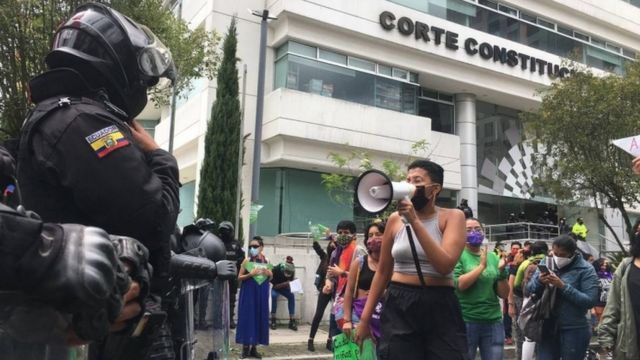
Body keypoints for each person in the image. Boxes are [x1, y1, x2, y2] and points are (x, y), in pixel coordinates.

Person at [14, 3, 181, 357]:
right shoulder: (83, 123)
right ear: (116, 65)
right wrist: (162, 158)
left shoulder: (65, 116)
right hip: (102, 328)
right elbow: (153, 221)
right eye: (144, 78)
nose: (145, 87)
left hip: (99, 320)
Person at [355, 159, 468, 359]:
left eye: (417, 180)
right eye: (407, 179)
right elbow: (383, 272)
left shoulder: (453, 217)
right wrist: (364, 320)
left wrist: (414, 221)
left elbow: (444, 265)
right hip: (400, 302)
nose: (410, 184)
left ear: (434, 189)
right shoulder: (394, 220)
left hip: (439, 303)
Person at [526, 235, 599, 360]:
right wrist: (539, 281)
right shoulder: (546, 262)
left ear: (572, 253)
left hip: (574, 328)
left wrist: (563, 286)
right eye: (555, 253)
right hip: (547, 325)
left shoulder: (586, 269)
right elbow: (530, 289)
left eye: (562, 254)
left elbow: (589, 301)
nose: (557, 257)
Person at [454, 218, 509, 360]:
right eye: (468, 230)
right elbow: (460, 285)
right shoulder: (457, 255)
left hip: (493, 321)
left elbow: (504, 294)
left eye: (478, 229)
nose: (474, 232)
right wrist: (481, 267)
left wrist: (502, 272)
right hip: (466, 320)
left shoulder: (493, 257)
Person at [597, 219, 640, 359]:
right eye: (638, 231)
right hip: (631, 343)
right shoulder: (626, 266)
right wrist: (606, 336)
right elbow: (613, 304)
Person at [323, 220, 366, 350]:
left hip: (354, 306)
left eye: (346, 232)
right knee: (339, 347)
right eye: (340, 232)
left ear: (354, 235)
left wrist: (343, 273)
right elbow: (330, 274)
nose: (342, 235)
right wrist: (328, 284)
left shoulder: (359, 251)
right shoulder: (336, 252)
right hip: (337, 305)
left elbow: (364, 277)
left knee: (354, 346)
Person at [342, 223, 385, 342]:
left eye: (378, 234)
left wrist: (384, 293)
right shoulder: (359, 263)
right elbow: (349, 292)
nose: (374, 238)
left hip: (385, 320)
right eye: (370, 235)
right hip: (359, 318)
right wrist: (347, 320)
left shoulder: (394, 264)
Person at [510, 240, 548, 360]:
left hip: (526, 300)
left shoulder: (525, 263)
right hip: (547, 301)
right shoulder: (550, 262)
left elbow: (516, 284)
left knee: (527, 335)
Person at [236, 236, 272, 359]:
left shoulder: (266, 260)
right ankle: (245, 348)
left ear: (261, 247)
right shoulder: (247, 261)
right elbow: (239, 277)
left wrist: (269, 274)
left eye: (255, 246)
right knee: (248, 317)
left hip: (261, 294)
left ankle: (254, 348)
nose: (253, 248)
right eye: (251, 246)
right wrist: (250, 274)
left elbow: (271, 276)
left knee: (258, 317)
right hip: (249, 293)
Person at [307, 232, 336, 352]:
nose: (332, 247)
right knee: (318, 314)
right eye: (331, 245)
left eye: (335, 245)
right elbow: (316, 246)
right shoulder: (325, 257)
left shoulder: (339, 259)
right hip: (324, 290)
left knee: (333, 316)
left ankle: (329, 341)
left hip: (336, 290)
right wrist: (315, 237)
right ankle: (310, 340)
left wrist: (333, 238)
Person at [218, 221, 245, 329]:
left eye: (226, 231)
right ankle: (219, 319)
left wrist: (238, 260)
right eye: (222, 231)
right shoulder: (218, 243)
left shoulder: (236, 244)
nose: (223, 233)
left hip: (233, 275)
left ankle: (230, 319)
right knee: (219, 297)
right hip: (220, 274)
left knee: (232, 298)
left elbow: (242, 257)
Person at [270, 256, 298, 331]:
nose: (288, 274)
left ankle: (292, 320)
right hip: (276, 287)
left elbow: (291, 281)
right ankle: (273, 319)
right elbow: (275, 286)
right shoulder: (276, 270)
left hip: (285, 288)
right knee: (274, 296)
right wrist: (285, 283)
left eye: (290, 273)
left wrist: (293, 284)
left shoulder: (292, 270)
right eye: (287, 272)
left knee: (291, 296)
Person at [592, 258, 613, 329]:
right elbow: (591, 291)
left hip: (609, 303)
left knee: (608, 324)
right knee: (601, 325)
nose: (604, 267)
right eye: (602, 265)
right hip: (598, 303)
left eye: (606, 265)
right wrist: (592, 308)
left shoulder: (610, 275)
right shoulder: (594, 275)